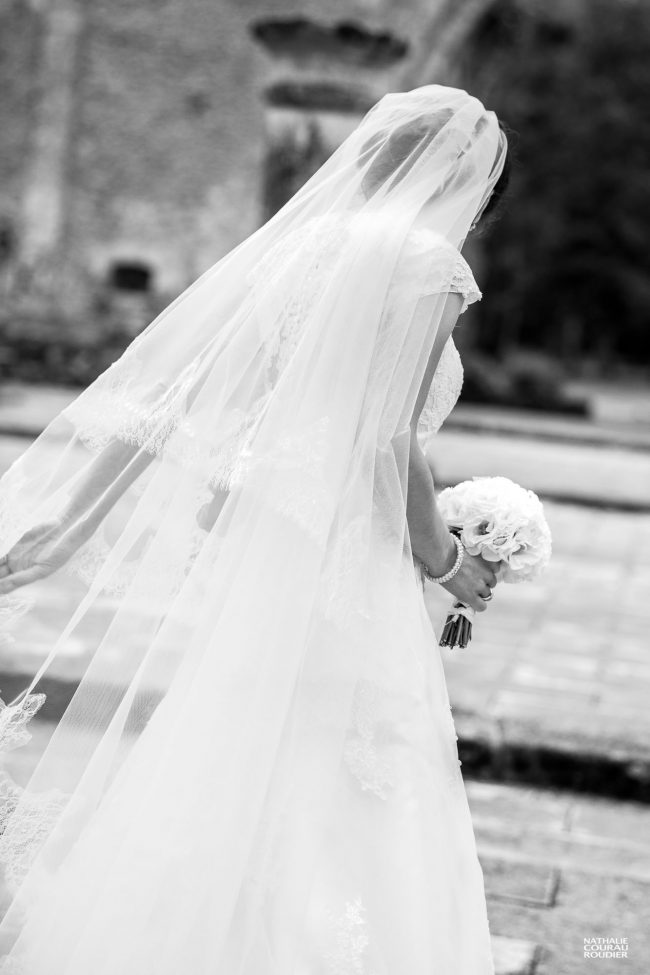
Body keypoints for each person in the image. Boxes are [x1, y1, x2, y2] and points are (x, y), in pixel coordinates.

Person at [0, 84, 509, 973]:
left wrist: (73, 525)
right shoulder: (429, 264)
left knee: (244, 740)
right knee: (345, 761)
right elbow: (388, 439)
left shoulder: (306, 248)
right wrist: (449, 558)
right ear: (458, 175)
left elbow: (183, 395)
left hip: (271, 548)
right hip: (352, 559)